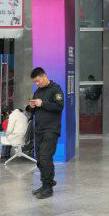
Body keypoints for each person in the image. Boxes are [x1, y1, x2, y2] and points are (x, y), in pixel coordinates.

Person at [26, 67, 64, 199]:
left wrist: (42, 104)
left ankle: (48, 188)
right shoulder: (37, 92)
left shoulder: (56, 90)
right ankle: (45, 184)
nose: (37, 83)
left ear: (45, 76)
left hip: (51, 130)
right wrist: (31, 107)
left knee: (45, 157)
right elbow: (32, 111)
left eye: (38, 81)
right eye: (34, 82)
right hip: (39, 130)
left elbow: (59, 107)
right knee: (40, 159)